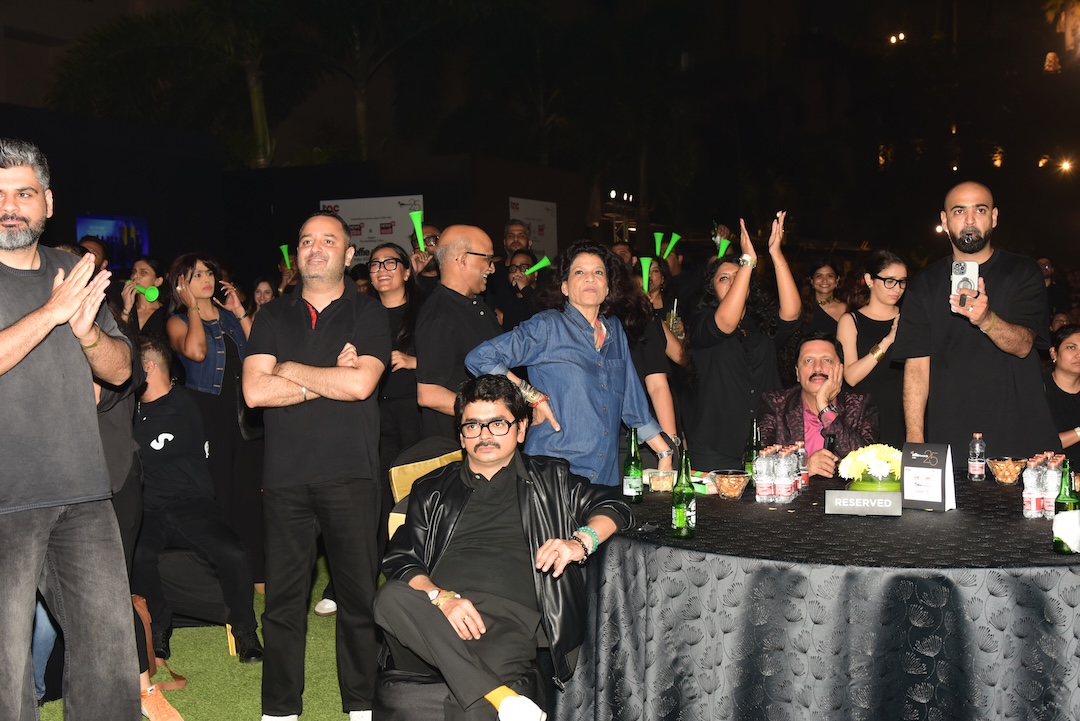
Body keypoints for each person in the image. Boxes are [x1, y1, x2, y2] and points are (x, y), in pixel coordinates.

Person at [375, 375, 635, 721]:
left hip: (507, 624)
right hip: (435, 618)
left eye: (497, 423)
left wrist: (580, 542)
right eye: (473, 426)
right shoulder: (432, 489)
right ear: (461, 436)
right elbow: (401, 559)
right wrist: (443, 599)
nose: (484, 435)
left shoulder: (551, 479)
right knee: (390, 597)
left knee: (470, 704)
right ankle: (504, 699)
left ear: (521, 429)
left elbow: (615, 505)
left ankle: (494, 697)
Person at [0, 137, 140, 718]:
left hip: (83, 494)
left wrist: (87, 333)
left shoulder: (72, 272)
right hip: (4, 501)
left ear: (48, 202)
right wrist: (52, 314)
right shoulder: (58, 291)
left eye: (23, 193)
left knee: (109, 653)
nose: (10, 206)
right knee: (6, 670)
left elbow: (122, 370)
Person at [243, 210, 391, 721]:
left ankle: (362, 706)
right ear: (297, 253)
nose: (315, 248)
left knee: (358, 599)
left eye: (328, 240)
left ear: (348, 255)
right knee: (283, 603)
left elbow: (361, 384)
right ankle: (280, 709)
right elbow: (254, 391)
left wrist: (287, 369)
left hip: (352, 474)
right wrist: (326, 378)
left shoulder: (368, 312)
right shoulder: (272, 316)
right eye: (306, 240)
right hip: (285, 478)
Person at [466, 240, 676, 485]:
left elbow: (632, 403)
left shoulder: (614, 330)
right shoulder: (547, 326)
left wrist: (665, 452)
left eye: (598, 272)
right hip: (554, 472)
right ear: (564, 287)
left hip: (603, 474)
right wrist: (532, 396)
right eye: (579, 272)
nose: (590, 278)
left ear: (608, 288)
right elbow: (480, 358)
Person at [892, 181, 1060, 461]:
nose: (970, 220)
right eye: (959, 211)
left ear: (994, 217)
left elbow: (1024, 345)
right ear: (944, 221)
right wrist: (915, 441)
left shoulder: (1022, 271)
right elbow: (917, 367)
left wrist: (986, 319)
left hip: (1018, 433)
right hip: (950, 434)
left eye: (979, 210)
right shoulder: (924, 283)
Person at [131, 333, 264, 666]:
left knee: (233, 552)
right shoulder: (128, 411)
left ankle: (245, 631)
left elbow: (157, 450)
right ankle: (159, 627)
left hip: (190, 504)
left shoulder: (186, 403)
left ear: (148, 367)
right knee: (138, 555)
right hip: (150, 509)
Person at [166, 252, 265, 581]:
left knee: (249, 490)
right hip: (206, 413)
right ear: (180, 284)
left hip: (243, 411)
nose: (206, 279)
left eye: (209, 272)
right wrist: (193, 308)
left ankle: (257, 568)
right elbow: (196, 352)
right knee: (217, 489)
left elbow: (260, 352)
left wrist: (240, 312)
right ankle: (222, 570)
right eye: (196, 275)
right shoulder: (178, 321)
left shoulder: (230, 316)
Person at [686, 213, 801, 471]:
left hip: (767, 443)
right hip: (717, 447)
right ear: (711, 288)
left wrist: (776, 254)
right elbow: (725, 323)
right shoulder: (703, 322)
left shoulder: (761, 324)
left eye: (739, 276)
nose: (734, 281)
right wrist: (747, 261)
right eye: (724, 278)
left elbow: (792, 315)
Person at [415, 225, 502, 440]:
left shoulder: (476, 305)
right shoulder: (438, 315)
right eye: (487, 259)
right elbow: (429, 394)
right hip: (458, 449)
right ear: (463, 260)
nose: (492, 268)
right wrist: (490, 415)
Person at [759, 332, 879, 478]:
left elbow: (868, 464)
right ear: (797, 372)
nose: (817, 368)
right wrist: (804, 467)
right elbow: (756, 464)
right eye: (808, 360)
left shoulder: (860, 405)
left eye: (826, 360)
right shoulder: (776, 404)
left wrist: (825, 408)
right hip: (793, 492)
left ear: (840, 369)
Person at [835, 249, 907, 447]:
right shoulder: (851, 321)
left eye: (902, 282)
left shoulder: (909, 317)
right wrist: (888, 340)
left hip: (903, 414)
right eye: (890, 281)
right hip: (866, 416)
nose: (897, 288)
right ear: (869, 280)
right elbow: (851, 376)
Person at [1045, 324, 1080, 466]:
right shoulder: (1038, 390)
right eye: (1071, 347)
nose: (1079, 354)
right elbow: (1037, 442)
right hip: (1048, 473)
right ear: (1054, 353)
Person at [120, 255, 168, 337]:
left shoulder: (167, 314)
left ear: (158, 281)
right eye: (134, 272)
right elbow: (117, 337)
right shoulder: (124, 308)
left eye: (143, 272)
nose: (135, 276)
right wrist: (126, 309)